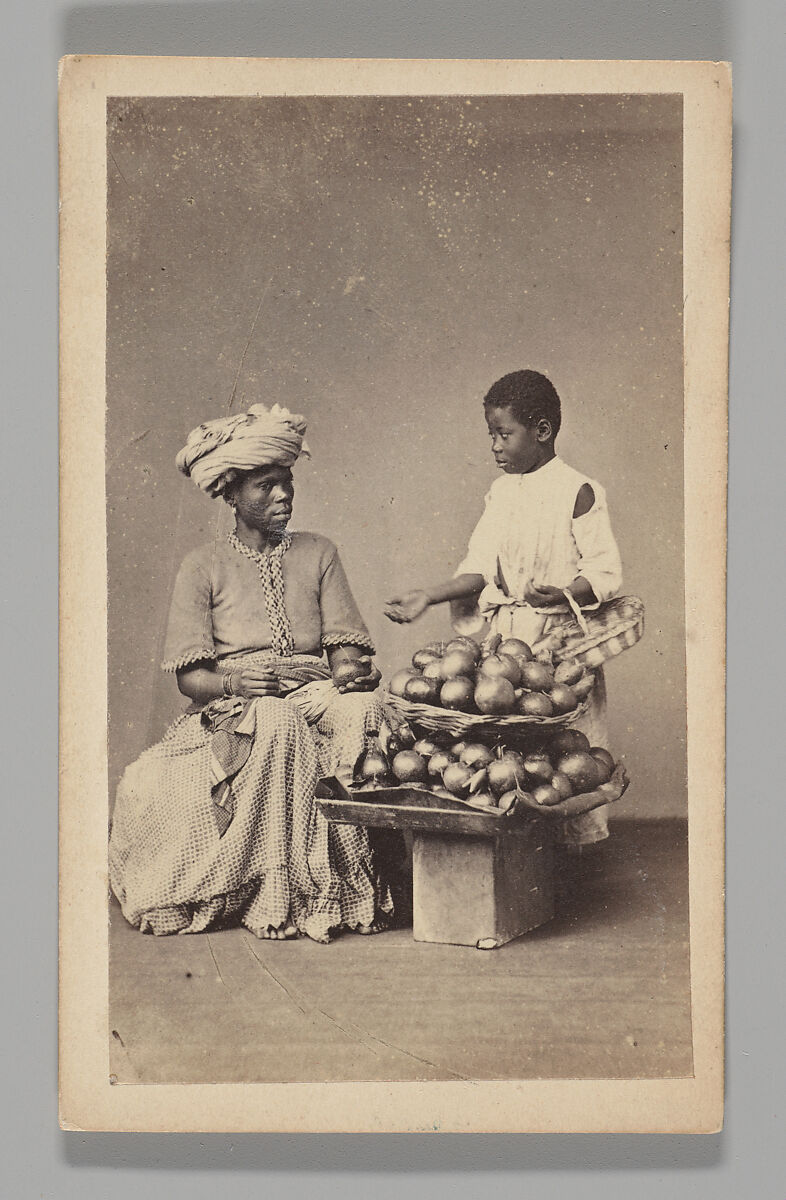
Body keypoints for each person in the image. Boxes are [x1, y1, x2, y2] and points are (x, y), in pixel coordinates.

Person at [109, 402, 393, 944]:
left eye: (286, 483)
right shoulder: (203, 564)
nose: (283, 496)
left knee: (366, 709)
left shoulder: (319, 552)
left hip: (314, 687)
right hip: (235, 704)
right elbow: (190, 678)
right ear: (231, 494)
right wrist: (235, 683)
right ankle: (275, 891)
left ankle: (356, 884)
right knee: (276, 718)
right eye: (266, 486)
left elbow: (343, 653)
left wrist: (355, 675)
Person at [384, 369, 623, 847]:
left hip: (557, 640)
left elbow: (605, 572)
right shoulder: (500, 493)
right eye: (490, 434)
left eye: (503, 433)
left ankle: (563, 853)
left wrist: (563, 592)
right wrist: (430, 595)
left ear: (542, 430)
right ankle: (513, 850)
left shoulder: (578, 490)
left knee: (558, 745)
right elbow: (480, 568)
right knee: (501, 742)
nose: (494, 445)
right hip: (506, 637)